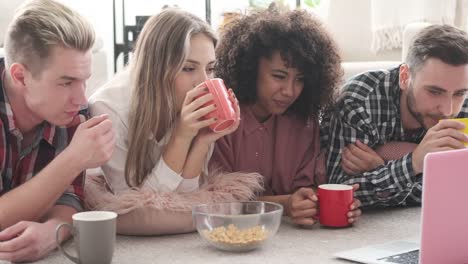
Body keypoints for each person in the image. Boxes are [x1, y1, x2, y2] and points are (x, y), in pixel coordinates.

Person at [86, 8, 252, 234]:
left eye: (211, 68)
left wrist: (202, 141)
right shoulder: (109, 109)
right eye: (189, 68)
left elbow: (185, 196)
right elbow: (136, 206)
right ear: (157, 68)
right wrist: (181, 136)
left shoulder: (195, 103)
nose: (203, 82)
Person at [209, 6, 362, 227]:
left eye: (299, 79)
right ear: (250, 68)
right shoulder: (222, 120)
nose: (290, 91)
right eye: (279, 76)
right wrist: (287, 204)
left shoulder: (305, 123)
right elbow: (216, 203)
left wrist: (320, 204)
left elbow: (305, 191)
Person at [0, 0, 114, 262]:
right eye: (66, 82)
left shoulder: (74, 114)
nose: (82, 100)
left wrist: (52, 232)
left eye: (84, 80)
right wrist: (74, 158)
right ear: (20, 76)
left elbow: (70, 197)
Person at [324, 24, 468, 207]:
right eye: (434, 91)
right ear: (405, 77)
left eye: (459, 94)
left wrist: (381, 168)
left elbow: (458, 190)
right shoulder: (359, 101)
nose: (448, 111)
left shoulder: (464, 106)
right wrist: (415, 163)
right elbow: (337, 190)